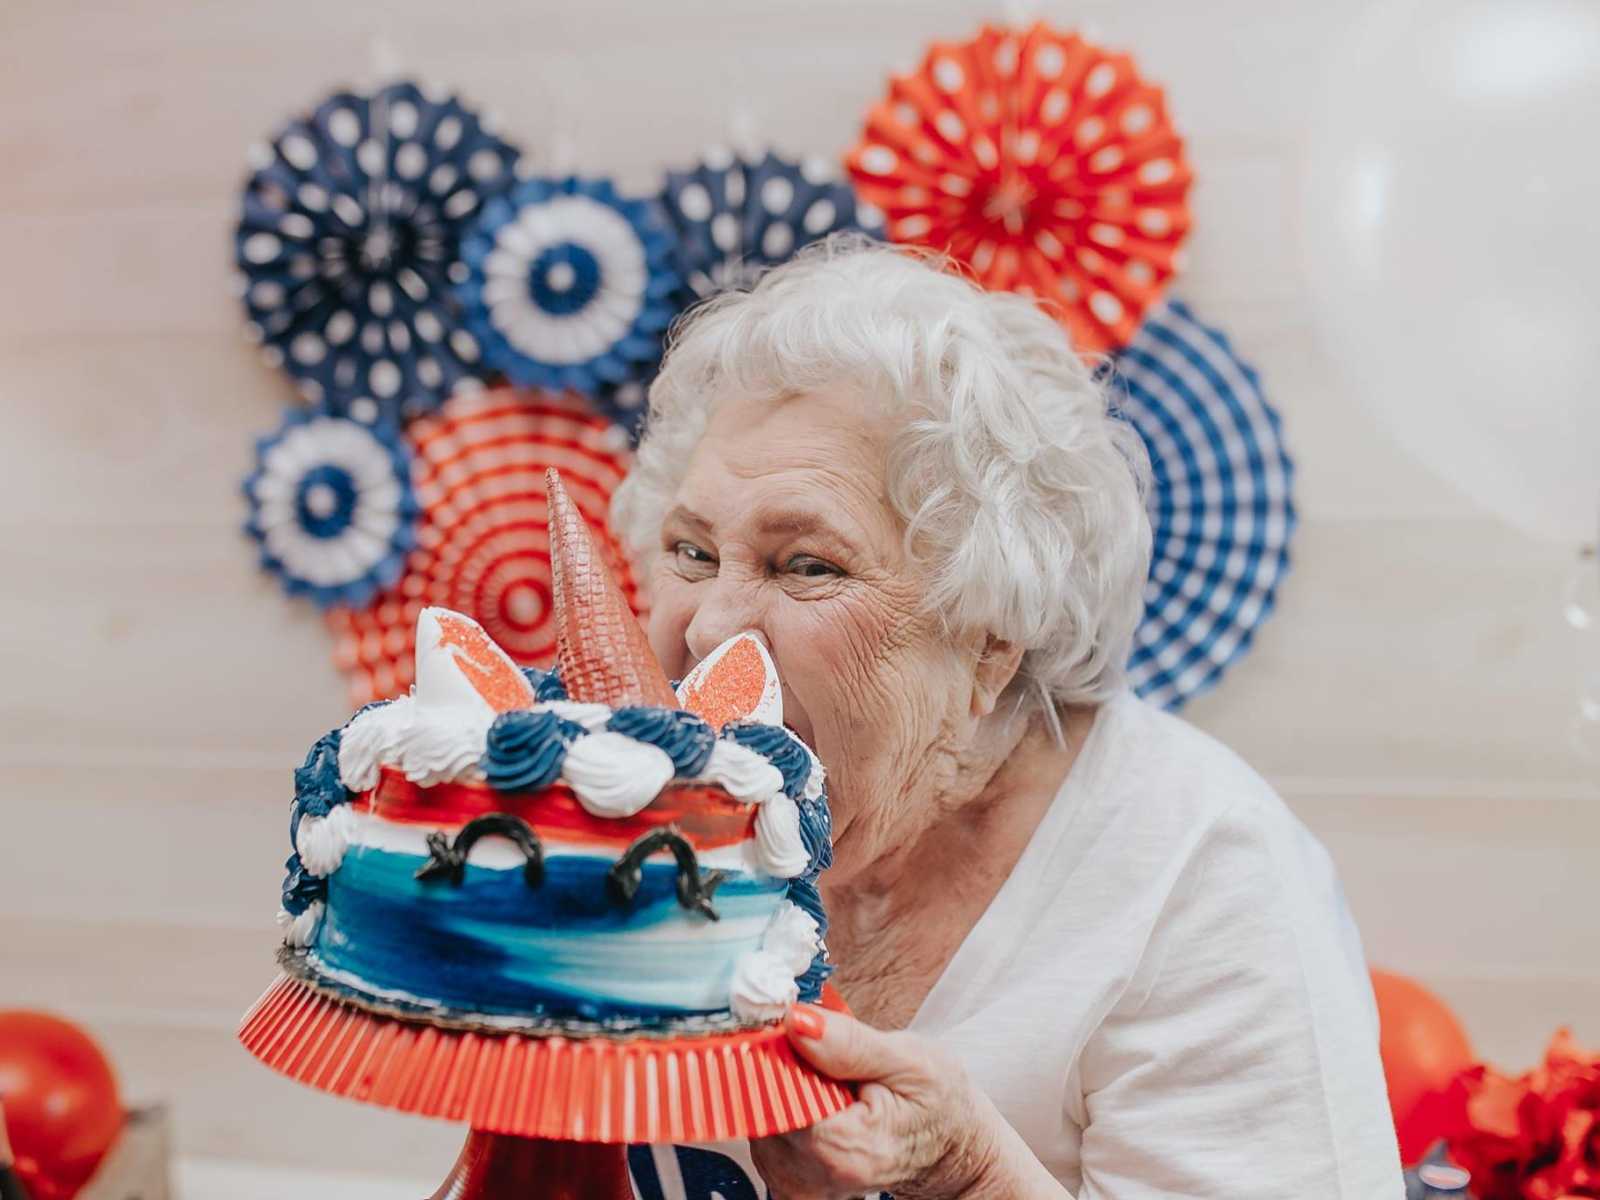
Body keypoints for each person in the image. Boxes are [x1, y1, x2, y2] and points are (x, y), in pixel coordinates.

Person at [612, 236, 1403, 1199]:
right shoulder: (621, 819)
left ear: (992, 635)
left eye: (806, 565)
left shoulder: (1202, 875)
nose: (712, 628)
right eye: (692, 552)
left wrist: (973, 1174)